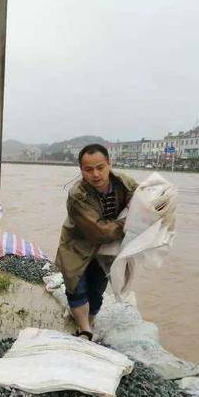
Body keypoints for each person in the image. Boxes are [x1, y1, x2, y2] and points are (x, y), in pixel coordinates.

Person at [56, 144, 138, 340]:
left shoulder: (124, 182)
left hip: (107, 249)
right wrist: (130, 222)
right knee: (76, 288)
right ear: (81, 171)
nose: (95, 174)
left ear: (110, 164)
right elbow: (99, 231)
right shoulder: (78, 194)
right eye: (88, 169)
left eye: (100, 167)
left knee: (97, 290)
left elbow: (143, 198)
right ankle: (85, 329)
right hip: (78, 246)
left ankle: (89, 321)